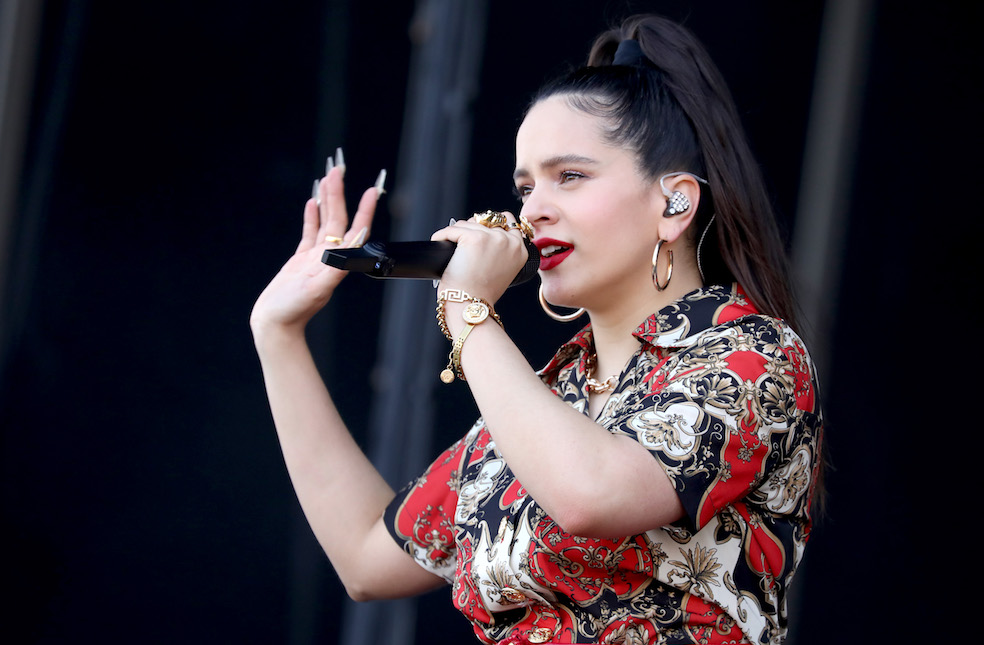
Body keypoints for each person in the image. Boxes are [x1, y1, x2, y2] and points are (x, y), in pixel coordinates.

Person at [251, 14, 823, 645]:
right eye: (525, 187)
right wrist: (277, 335)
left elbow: (588, 496)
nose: (532, 209)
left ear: (675, 202)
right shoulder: (546, 399)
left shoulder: (754, 357)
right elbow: (365, 557)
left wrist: (470, 312)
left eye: (569, 177)